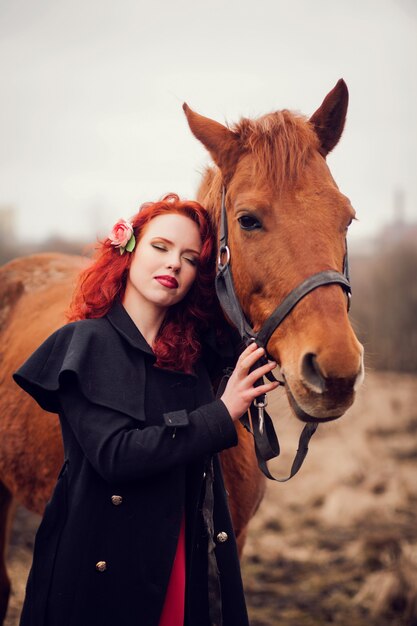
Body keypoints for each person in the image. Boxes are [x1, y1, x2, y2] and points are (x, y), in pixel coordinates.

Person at [13, 193, 279, 626]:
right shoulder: (84, 343)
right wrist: (221, 411)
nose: (174, 263)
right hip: (100, 567)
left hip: (179, 556)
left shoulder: (193, 359)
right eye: (161, 247)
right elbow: (115, 455)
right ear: (128, 252)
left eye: (190, 258)